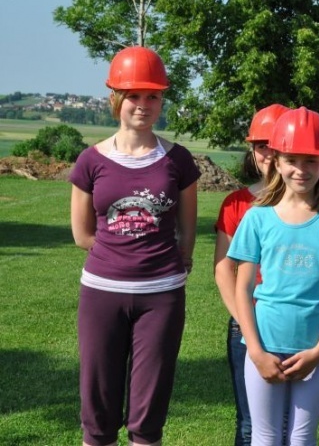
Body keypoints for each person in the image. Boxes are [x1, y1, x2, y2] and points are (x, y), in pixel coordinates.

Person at [69, 46, 200, 446]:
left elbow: (187, 231)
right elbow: (82, 234)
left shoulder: (179, 160)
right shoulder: (90, 161)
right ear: (116, 99)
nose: (143, 105)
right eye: (133, 96)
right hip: (102, 294)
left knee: (148, 417)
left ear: (162, 100)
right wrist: (119, 256)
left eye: (153, 96)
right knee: (98, 414)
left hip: (161, 297)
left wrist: (169, 263)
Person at [228, 107, 319, 445]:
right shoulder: (257, 218)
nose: (301, 170)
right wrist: (256, 351)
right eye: (292, 160)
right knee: (265, 437)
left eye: (311, 161)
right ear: (276, 159)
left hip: (314, 350)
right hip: (263, 346)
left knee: (302, 438)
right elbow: (243, 289)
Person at [214, 103, 289, 446]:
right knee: (249, 422)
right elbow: (223, 268)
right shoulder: (236, 204)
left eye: (275, 146)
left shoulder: (309, 205)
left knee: (289, 422)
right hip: (246, 322)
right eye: (261, 146)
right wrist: (244, 321)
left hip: (291, 322)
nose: (268, 155)